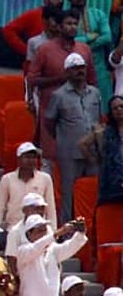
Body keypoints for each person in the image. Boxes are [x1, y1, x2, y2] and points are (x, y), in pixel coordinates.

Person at [44, 53, 103, 221]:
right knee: (69, 193)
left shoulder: (95, 93)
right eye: (75, 68)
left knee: (93, 190)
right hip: (69, 153)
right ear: (67, 72)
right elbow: (49, 123)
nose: (80, 71)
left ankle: (93, 226)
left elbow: (99, 120)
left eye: (82, 67)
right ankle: (68, 231)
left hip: (92, 152)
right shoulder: (59, 95)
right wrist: (64, 139)